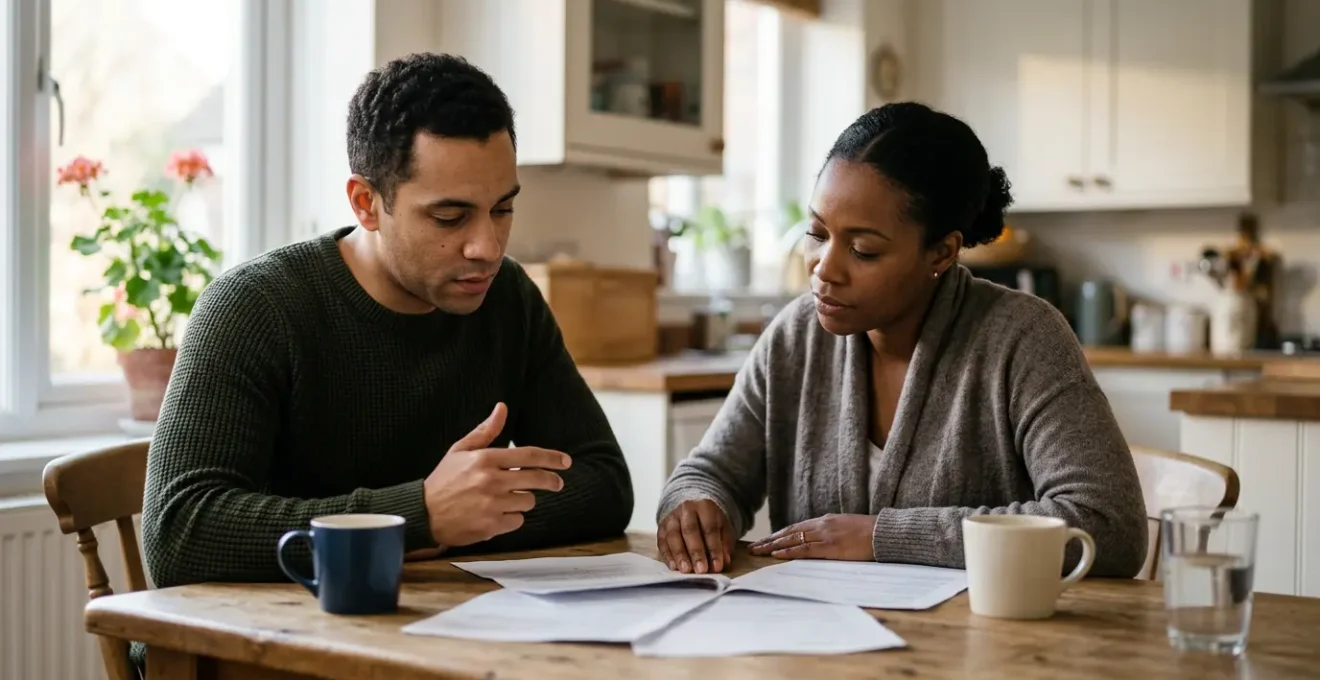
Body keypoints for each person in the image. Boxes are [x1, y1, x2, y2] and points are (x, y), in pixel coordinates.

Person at [142, 53, 634, 591]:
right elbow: (179, 535)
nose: (487, 247)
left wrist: (462, 518)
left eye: (502, 209)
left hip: (425, 630)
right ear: (366, 203)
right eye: (450, 217)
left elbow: (604, 483)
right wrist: (417, 515)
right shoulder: (254, 307)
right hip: (260, 646)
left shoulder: (508, 299)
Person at [655, 102, 1147, 578]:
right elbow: (708, 474)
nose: (825, 268)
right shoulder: (795, 335)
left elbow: (1109, 526)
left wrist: (882, 538)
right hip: (820, 647)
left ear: (942, 252)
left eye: (864, 250)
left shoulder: (1022, 338)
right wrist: (696, 507)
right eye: (817, 233)